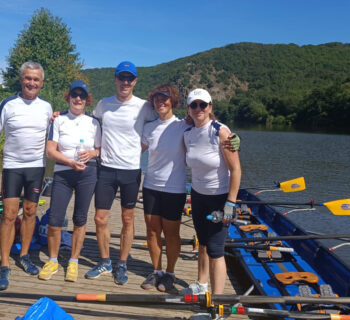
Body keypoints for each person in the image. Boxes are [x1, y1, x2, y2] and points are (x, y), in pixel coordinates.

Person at [85, 61, 156, 285]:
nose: (125, 82)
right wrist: (60, 115)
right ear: (115, 79)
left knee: (127, 218)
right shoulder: (104, 104)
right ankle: (106, 261)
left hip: (130, 171)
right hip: (106, 169)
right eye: (122, 78)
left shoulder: (144, 106)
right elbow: (89, 123)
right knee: (99, 218)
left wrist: (140, 148)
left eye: (130, 79)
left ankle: (122, 263)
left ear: (135, 81)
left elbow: (160, 125)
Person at [0, 61, 52, 290]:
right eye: (28, 78)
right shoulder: (8, 104)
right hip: (13, 166)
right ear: (21, 79)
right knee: (8, 214)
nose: (31, 83)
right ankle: (4, 264)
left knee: (31, 212)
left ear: (41, 83)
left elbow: (55, 133)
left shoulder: (47, 108)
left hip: (36, 167)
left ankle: (24, 255)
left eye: (36, 79)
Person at [38, 80, 101, 282]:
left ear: (87, 100)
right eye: (75, 94)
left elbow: (100, 150)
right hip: (64, 173)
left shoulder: (94, 122)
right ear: (69, 97)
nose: (78, 99)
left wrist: (92, 153)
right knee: (55, 219)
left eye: (82, 95)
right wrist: (69, 162)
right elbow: (50, 150)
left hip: (87, 173)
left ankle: (73, 261)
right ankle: (53, 260)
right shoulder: (58, 120)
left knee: (80, 219)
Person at [182, 88, 242, 295]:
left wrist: (231, 203)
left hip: (220, 198)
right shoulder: (188, 134)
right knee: (203, 243)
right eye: (194, 105)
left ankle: (218, 302)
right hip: (198, 196)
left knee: (216, 250)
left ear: (210, 108)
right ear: (188, 109)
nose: (198, 109)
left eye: (202, 105)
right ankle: (201, 284)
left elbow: (236, 169)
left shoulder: (220, 131)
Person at [140, 84, 188, 292]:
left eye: (165, 99)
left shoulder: (184, 126)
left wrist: (230, 140)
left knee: (171, 234)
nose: (161, 102)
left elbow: (209, 131)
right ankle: (156, 271)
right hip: (150, 186)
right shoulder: (149, 128)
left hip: (174, 189)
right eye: (157, 99)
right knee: (152, 232)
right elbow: (132, 149)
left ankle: (169, 273)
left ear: (173, 101)